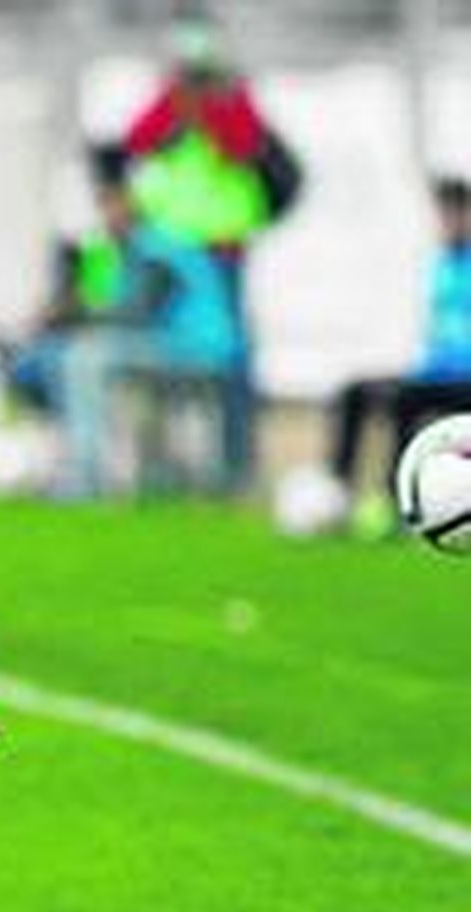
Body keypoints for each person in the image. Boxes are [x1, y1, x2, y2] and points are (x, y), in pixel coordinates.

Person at [122, 8, 300, 491]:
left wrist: (215, 100)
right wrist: (177, 98)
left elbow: (241, 146)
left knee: (230, 359)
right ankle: (162, 467)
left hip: (222, 255)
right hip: (168, 257)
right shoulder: (170, 101)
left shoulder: (234, 100)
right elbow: (137, 140)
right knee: (158, 359)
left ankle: (234, 467)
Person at [10, 143, 241, 498]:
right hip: (170, 345)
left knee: (84, 358)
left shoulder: (157, 248)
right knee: (57, 355)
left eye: (111, 204)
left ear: (131, 205)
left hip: (199, 350)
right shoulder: (134, 247)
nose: (105, 215)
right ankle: (67, 462)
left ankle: (88, 476)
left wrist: (72, 317)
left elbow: (136, 315)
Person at [325, 176, 471, 530]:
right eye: (443, 214)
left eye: (456, 214)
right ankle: (337, 494)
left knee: (406, 400)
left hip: (464, 380)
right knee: (356, 391)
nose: (447, 223)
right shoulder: (442, 264)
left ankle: (397, 501)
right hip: (434, 375)